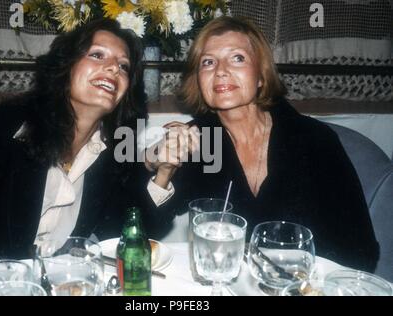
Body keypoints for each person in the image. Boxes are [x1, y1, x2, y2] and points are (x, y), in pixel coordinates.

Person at [0, 19, 172, 291]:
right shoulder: (0, 131)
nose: (113, 68)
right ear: (65, 67)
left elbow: (132, 238)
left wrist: (165, 171)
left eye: (123, 66)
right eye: (97, 55)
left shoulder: (114, 151)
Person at [149, 16, 379, 272]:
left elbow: (361, 251)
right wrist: (164, 170)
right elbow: (146, 229)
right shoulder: (201, 143)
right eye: (208, 62)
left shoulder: (315, 140)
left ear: (261, 75)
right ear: (199, 81)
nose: (221, 70)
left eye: (237, 58)